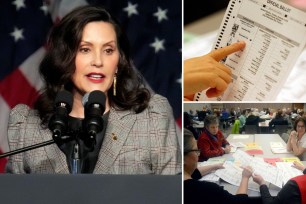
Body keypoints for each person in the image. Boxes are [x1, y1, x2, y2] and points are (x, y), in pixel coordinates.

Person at [5, 5, 181, 174]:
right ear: (65, 57)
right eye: (85, 49)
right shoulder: (26, 126)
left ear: (119, 63)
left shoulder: (151, 117)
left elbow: (173, 194)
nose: (98, 61)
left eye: (108, 50)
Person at [184, 128, 261, 204]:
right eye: (196, 151)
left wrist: (215, 166)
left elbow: (195, 173)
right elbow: (239, 202)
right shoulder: (207, 190)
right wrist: (245, 177)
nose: (198, 154)